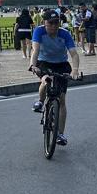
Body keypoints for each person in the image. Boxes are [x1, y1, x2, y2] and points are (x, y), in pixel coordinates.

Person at [29, 12, 82, 147]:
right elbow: (35, 50)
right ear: (44, 22)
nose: (53, 26)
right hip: (44, 62)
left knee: (62, 99)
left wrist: (75, 70)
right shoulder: (39, 31)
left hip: (61, 64)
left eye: (56, 23)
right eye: (50, 23)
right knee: (46, 80)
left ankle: (60, 134)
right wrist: (33, 65)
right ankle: (40, 101)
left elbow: (74, 54)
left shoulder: (64, 33)